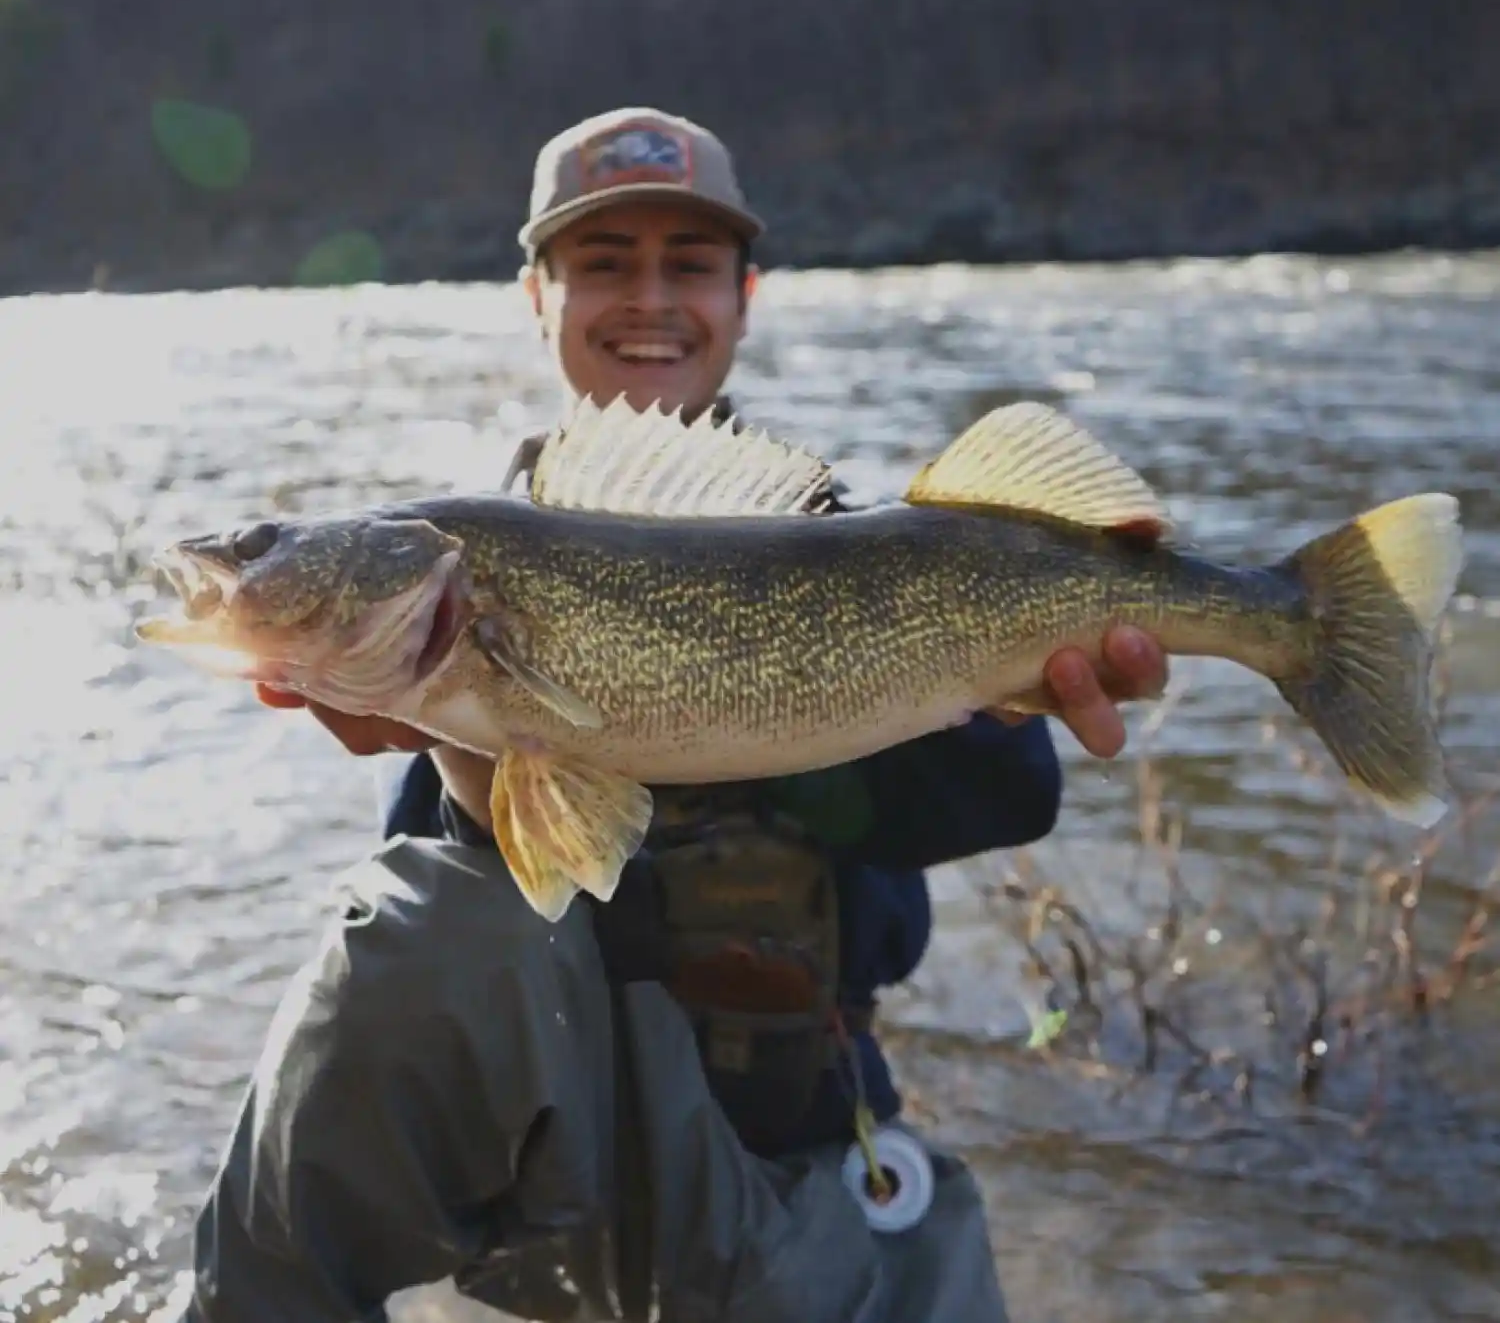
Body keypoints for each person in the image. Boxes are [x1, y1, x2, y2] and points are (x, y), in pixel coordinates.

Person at [182, 108, 1168, 1322]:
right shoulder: (463, 577)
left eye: (688, 265)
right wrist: (456, 746)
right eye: (602, 265)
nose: (649, 299)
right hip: (567, 1152)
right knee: (417, 915)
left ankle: (1307, 618)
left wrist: (1023, 699)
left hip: (794, 1138)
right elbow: (450, 946)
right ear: (536, 297)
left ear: (745, 297)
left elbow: (1008, 800)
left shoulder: (834, 535)